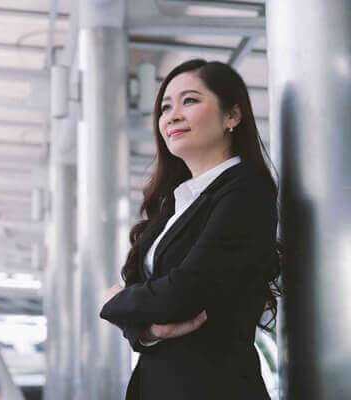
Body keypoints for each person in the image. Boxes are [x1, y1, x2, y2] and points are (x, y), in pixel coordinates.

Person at [100, 59, 280, 399]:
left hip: (214, 387)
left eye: (190, 100)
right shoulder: (176, 205)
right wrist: (150, 329)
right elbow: (154, 299)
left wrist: (117, 302)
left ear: (232, 116)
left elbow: (187, 290)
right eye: (165, 107)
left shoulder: (245, 192)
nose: (172, 115)